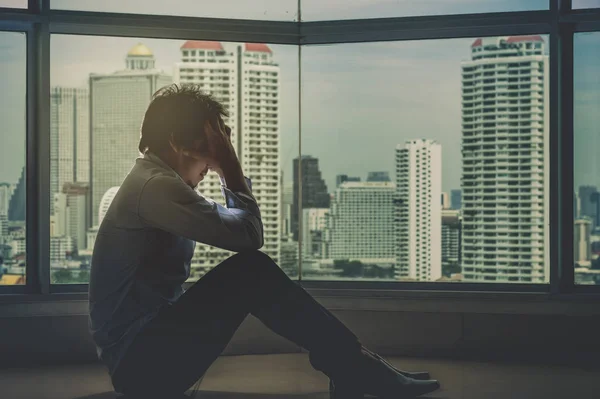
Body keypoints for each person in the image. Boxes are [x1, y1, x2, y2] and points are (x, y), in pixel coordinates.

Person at [88, 84, 441, 399]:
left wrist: (225, 166)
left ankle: (354, 366)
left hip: (146, 357)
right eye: (213, 142)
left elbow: (239, 227)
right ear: (179, 143)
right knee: (250, 270)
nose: (213, 160)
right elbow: (250, 237)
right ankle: (357, 366)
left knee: (249, 270)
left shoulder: (159, 183)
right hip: (141, 366)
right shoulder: (155, 187)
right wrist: (229, 164)